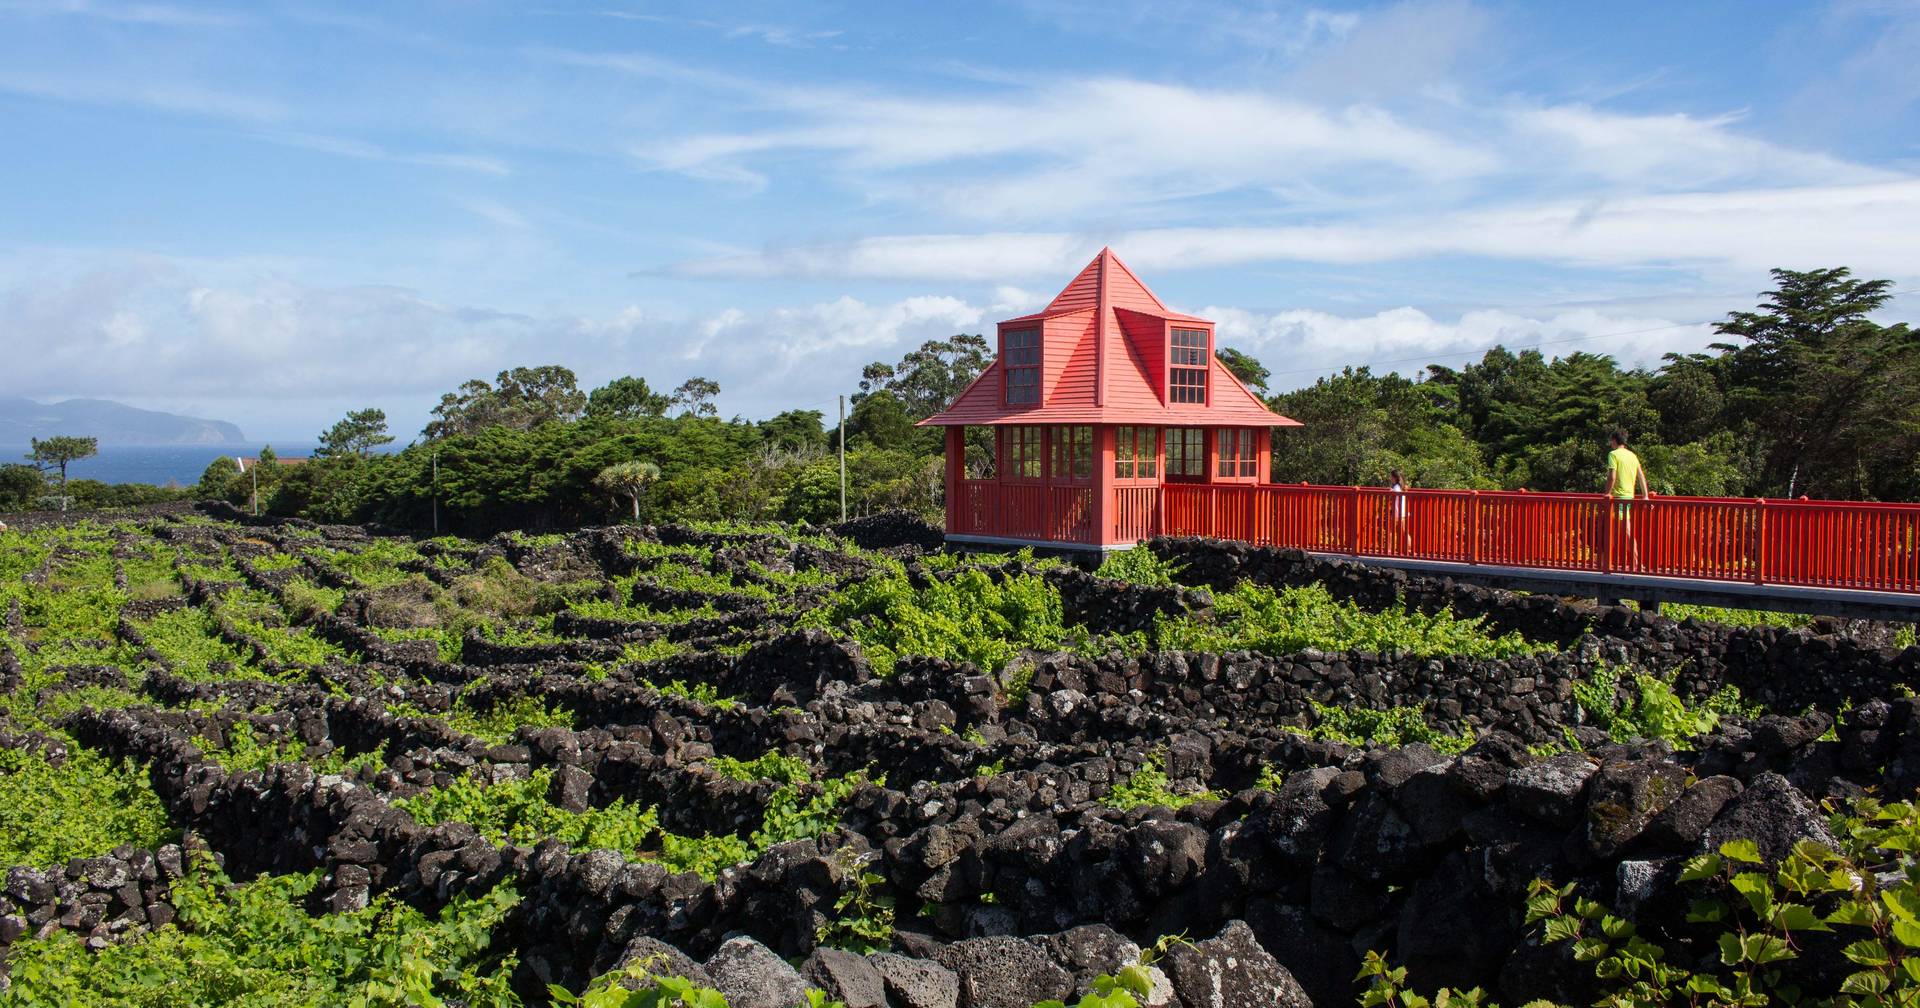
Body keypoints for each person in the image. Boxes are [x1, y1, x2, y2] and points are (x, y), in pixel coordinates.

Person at [1603, 429, 1651, 568]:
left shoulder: (1613, 454)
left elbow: (1612, 476)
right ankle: (1608, 561)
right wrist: (1645, 496)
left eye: (1610, 440)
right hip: (1628, 497)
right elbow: (1641, 476)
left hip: (1618, 498)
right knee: (1615, 530)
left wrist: (1607, 493)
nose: (1610, 443)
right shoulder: (1632, 455)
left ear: (1614, 440)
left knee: (1625, 530)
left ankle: (1636, 563)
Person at [1387, 469, 1412, 552]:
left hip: (1397, 512)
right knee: (1405, 532)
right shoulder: (1402, 486)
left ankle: (1389, 549)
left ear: (1394, 477)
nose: (1390, 478)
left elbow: (1395, 495)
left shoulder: (1396, 487)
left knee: (1390, 530)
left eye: (1391, 476)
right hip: (1403, 512)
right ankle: (1409, 549)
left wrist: (1390, 492)